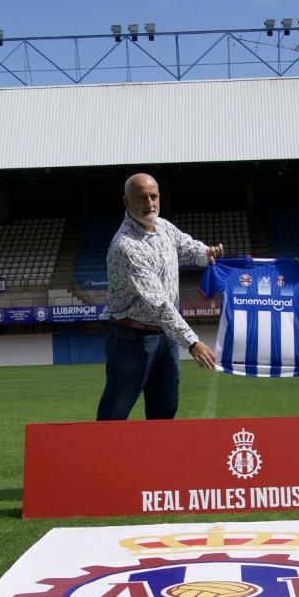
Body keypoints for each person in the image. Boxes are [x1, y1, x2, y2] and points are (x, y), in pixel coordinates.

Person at [95, 173, 223, 421]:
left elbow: (185, 245)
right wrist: (193, 342)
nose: (149, 204)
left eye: (153, 197)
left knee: (165, 411)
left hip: (165, 338)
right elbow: (159, 304)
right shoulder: (126, 246)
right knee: (115, 413)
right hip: (131, 339)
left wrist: (206, 252)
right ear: (126, 201)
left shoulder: (163, 226)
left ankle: (156, 460)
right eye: (141, 198)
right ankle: (100, 459)